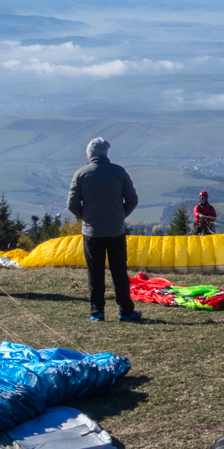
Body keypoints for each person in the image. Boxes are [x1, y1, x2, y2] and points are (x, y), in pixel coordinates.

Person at [67, 138, 141, 322]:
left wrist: (87, 217)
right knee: (119, 272)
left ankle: (97, 312)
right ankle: (126, 311)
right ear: (105, 153)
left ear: (89, 154)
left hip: (92, 232)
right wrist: (120, 216)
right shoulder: (119, 172)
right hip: (116, 231)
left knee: (95, 273)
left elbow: (72, 204)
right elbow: (132, 200)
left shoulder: (81, 174)